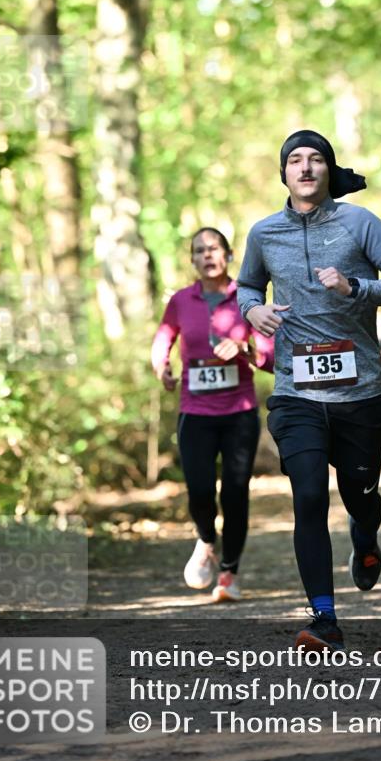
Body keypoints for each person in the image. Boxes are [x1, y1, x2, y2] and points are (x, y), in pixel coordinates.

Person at [237, 130, 381, 651]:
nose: (305, 167)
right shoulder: (264, 233)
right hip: (296, 392)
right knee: (309, 495)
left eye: (315, 159)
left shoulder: (359, 223)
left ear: (328, 169)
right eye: (295, 160)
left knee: (360, 496)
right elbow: (247, 285)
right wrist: (253, 310)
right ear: (283, 173)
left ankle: (365, 535)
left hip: (359, 393)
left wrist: (355, 287)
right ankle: (323, 616)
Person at [151, 228, 274, 602]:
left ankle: (229, 573)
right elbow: (163, 338)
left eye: (214, 249)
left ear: (228, 254)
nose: (207, 255)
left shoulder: (248, 298)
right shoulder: (180, 300)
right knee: (200, 490)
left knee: (235, 492)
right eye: (200, 250)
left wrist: (244, 348)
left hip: (239, 413)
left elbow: (270, 357)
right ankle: (206, 539)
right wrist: (162, 366)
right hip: (195, 411)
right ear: (192, 259)